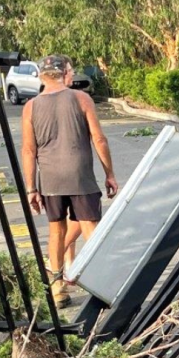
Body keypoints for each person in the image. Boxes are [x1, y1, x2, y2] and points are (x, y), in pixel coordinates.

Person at [21, 54, 118, 308]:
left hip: (50, 179)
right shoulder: (81, 99)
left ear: (43, 75)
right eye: (71, 70)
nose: (73, 74)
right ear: (64, 73)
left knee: (56, 231)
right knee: (89, 229)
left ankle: (57, 288)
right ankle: (101, 284)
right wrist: (109, 173)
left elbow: (29, 150)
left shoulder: (30, 107)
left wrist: (31, 187)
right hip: (80, 175)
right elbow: (99, 139)